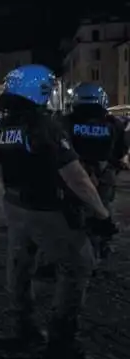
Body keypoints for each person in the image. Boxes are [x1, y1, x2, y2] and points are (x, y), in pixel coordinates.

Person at [0, 64, 117, 359]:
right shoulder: (43, 126)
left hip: (14, 204)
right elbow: (75, 177)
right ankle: (61, 340)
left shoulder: (1, 127)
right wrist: (101, 214)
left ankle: (24, 325)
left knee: (20, 265)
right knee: (78, 264)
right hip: (47, 208)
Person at [60, 83, 127, 269]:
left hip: (74, 174)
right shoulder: (114, 124)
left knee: (75, 212)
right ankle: (101, 248)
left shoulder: (66, 122)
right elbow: (121, 150)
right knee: (102, 209)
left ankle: (81, 253)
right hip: (104, 176)